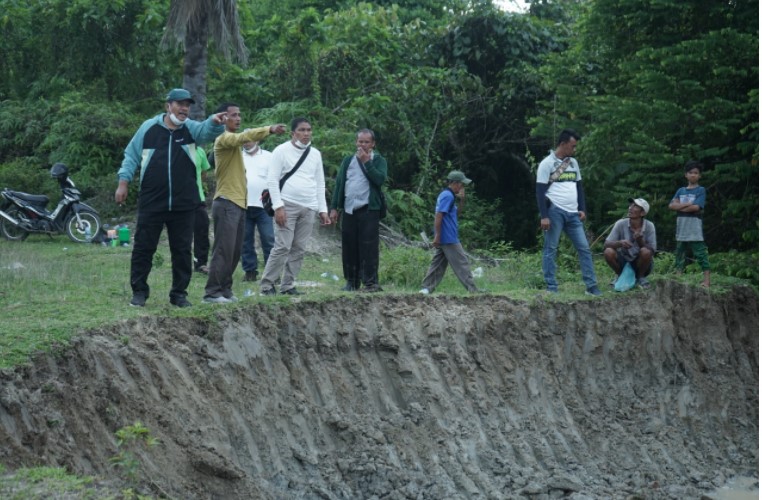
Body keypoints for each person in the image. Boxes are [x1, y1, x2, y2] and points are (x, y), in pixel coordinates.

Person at [115, 88, 226, 308]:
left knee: (183, 249)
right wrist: (123, 182)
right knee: (144, 248)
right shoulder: (148, 128)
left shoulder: (191, 130)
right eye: (180, 104)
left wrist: (214, 121)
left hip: (184, 203)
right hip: (152, 200)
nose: (184, 109)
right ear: (168, 106)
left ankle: (179, 294)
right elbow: (131, 155)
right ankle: (139, 292)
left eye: (187, 105)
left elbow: (206, 132)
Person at [203, 103, 286, 304]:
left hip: (240, 204)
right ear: (223, 118)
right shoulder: (223, 139)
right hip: (226, 202)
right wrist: (269, 129)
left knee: (235, 250)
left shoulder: (235, 145)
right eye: (233, 115)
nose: (238, 118)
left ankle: (225, 290)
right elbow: (242, 138)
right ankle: (212, 292)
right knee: (223, 249)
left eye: (240, 115)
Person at [259, 117, 331, 296]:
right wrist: (278, 207)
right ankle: (267, 285)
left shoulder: (315, 154)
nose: (306, 133)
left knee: (299, 247)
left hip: (309, 207)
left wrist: (323, 210)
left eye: (308, 130)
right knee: (283, 246)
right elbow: (272, 180)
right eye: (302, 130)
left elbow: (320, 182)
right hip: (287, 204)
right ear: (293, 133)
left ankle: (288, 285)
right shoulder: (281, 151)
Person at [535, 129, 602, 296]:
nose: (574, 149)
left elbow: (579, 186)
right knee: (551, 248)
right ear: (563, 144)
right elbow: (540, 191)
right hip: (555, 211)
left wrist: (582, 208)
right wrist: (544, 216)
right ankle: (551, 287)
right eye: (572, 146)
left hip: (573, 213)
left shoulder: (573, 163)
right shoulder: (546, 164)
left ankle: (592, 287)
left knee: (584, 248)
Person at [329, 129, 388, 292]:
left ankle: (370, 282)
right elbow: (340, 184)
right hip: (349, 209)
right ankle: (351, 281)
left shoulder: (379, 161)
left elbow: (379, 180)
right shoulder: (348, 160)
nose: (363, 145)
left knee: (369, 247)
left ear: (373, 144)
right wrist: (334, 207)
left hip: (369, 209)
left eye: (366, 142)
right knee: (349, 246)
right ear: (356, 142)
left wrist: (367, 162)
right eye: (360, 141)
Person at [419, 171, 480, 295]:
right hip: (448, 237)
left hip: (445, 236)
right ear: (455, 183)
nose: (462, 187)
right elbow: (439, 215)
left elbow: (456, 214)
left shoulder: (448, 195)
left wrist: (462, 200)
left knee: (438, 264)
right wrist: (437, 236)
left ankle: (426, 288)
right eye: (461, 184)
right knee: (462, 262)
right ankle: (473, 290)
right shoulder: (448, 196)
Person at [668, 160, 710, 287]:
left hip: (694, 227)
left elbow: (696, 208)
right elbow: (671, 205)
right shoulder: (681, 191)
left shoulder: (701, 190)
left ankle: (707, 281)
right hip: (681, 226)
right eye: (690, 172)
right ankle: (678, 277)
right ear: (686, 174)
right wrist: (687, 204)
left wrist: (679, 206)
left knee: (700, 253)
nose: (693, 175)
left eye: (696, 173)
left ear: (699, 175)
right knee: (680, 252)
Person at [241, 141, 275, 282]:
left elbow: (275, 178)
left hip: (264, 206)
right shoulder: (237, 155)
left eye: (250, 138)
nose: (247, 141)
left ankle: (272, 273)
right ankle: (250, 271)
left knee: (269, 239)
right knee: (245, 240)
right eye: (244, 138)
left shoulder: (269, 156)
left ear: (258, 140)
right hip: (243, 204)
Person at [603, 198, 656, 288]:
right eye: (630, 205)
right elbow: (606, 244)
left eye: (635, 206)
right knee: (608, 251)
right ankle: (620, 275)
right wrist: (619, 243)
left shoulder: (649, 226)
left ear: (642, 213)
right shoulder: (620, 223)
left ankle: (640, 277)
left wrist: (640, 241)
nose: (630, 208)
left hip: (641, 264)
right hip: (624, 260)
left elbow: (652, 250)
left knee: (645, 251)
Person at [193, 145, 212, 274]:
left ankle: (201, 263)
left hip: (198, 198)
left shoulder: (200, 151)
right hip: (179, 199)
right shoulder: (177, 147)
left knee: (202, 229)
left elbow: (204, 174)